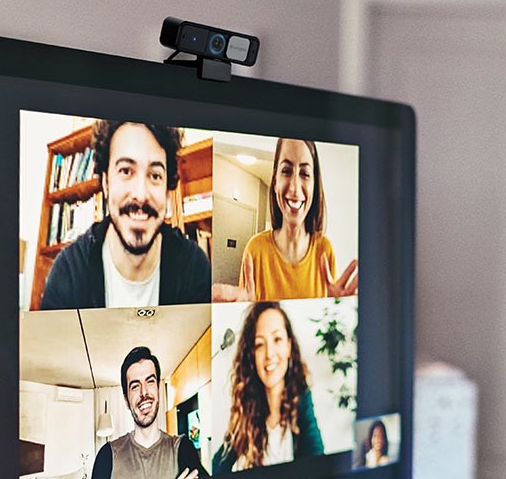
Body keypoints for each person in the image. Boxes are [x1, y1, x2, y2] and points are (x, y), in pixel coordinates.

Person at [41, 120, 211, 310]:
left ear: (166, 190)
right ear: (105, 183)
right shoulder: (69, 272)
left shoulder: (194, 267)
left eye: (155, 176)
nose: (140, 194)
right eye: (126, 171)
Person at [212, 138, 358, 302]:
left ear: (315, 185)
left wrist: (338, 307)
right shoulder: (255, 250)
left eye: (305, 174)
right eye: (287, 171)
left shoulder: (324, 249)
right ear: (275, 182)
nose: (295, 188)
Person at [213, 302, 324, 472]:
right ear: (252, 355)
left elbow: (317, 463)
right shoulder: (246, 411)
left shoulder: (302, 402)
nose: (269, 353)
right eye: (259, 344)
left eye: (277, 339)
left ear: (288, 346)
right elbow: (218, 465)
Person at [91, 347, 208, 479]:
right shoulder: (107, 456)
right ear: (126, 400)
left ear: (158, 389)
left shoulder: (182, 449)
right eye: (135, 386)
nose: (144, 393)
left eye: (150, 381)